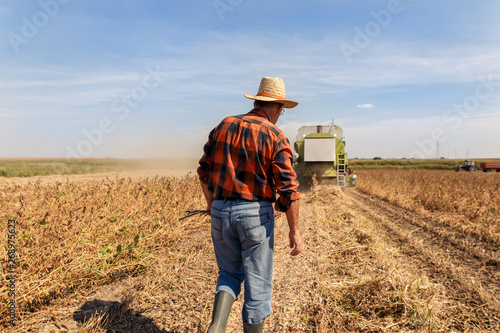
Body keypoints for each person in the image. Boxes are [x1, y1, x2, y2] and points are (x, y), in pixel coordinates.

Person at [197, 77, 303, 333]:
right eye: (282, 109)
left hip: (221, 212)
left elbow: (203, 171)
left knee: (228, 275)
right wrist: (295, 230)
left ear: (256, 101)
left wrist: (212, 204)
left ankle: (216, 328)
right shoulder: (275, 135)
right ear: (276, 106)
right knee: (258, 285)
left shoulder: (224, 125)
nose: (281, 114)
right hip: (255, 215)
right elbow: (288, 188)